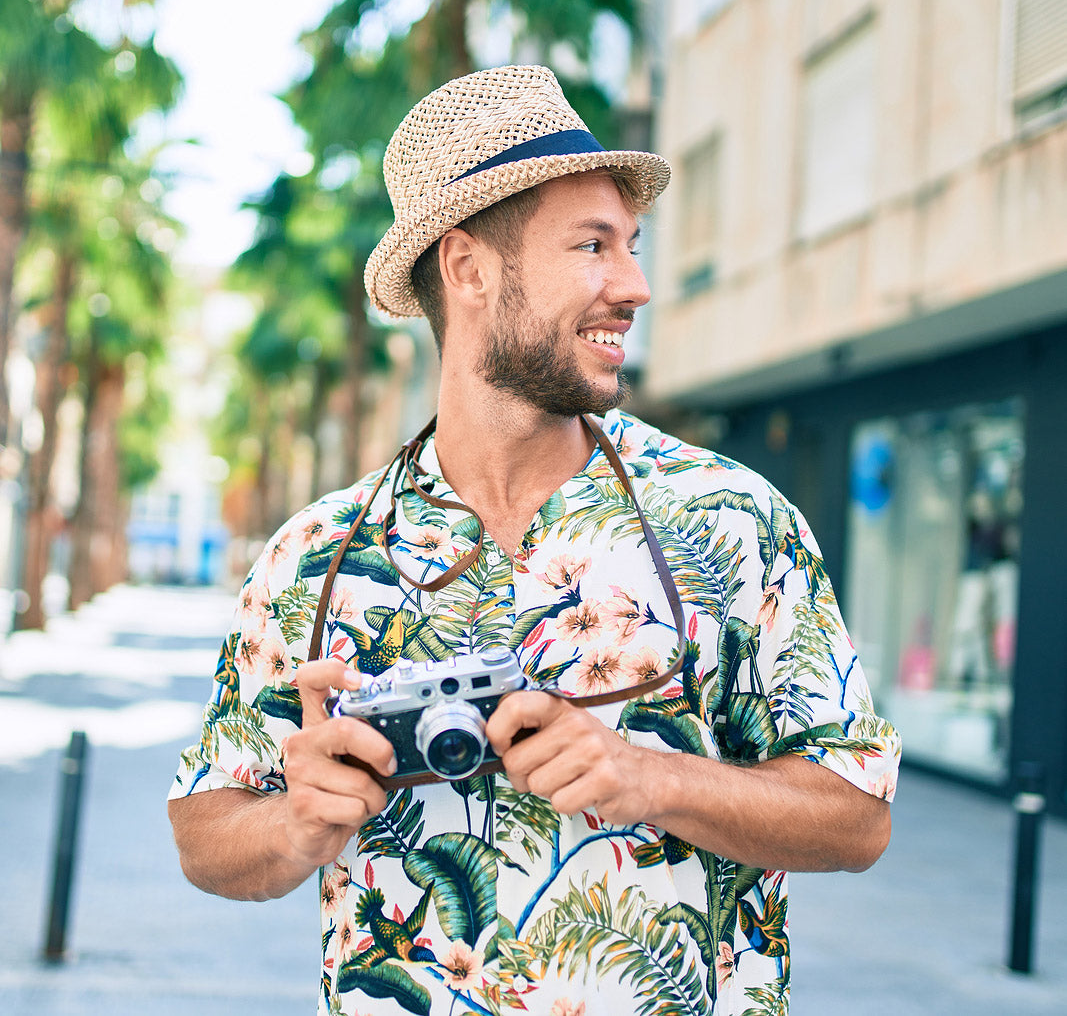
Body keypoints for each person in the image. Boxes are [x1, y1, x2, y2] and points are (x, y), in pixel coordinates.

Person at [169, 64, 900, 1016]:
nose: (634, 286)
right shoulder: (316, 553)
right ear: (467, 268)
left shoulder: (734, 519)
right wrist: (296, 822)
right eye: (593, 245)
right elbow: (203, 831)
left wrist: (648, 775)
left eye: (630, 245)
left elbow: (857, 813)